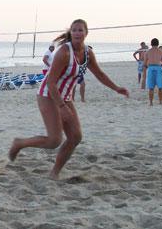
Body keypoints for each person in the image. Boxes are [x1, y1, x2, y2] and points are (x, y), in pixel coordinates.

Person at [8, 19, 129, 180]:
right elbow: (50, 82)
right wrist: (61, 107)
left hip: (65, 96)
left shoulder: (87, 53)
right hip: (48, 95)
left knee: (75, 137)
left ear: (86, 33)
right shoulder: (64, 52)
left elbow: (99, 74)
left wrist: (116, 88)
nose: (77, 33)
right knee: (54, 140)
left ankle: (54, 173)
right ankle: (19, 143)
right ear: (71, 33)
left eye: (80, 30)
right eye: (74, 30)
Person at [143, 38, 162, 105]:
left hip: (150, 68)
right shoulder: (161, 52)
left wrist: (147, 67)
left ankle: (151, 102)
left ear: (151, 43)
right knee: (160, 87)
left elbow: (144, 64)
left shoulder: (147, 52)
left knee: (151, 87)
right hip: (158, 68)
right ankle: (160, 102)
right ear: (158, 44)